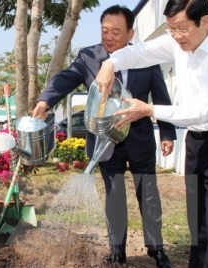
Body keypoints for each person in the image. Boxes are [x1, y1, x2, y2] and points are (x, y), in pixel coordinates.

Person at [95, 0, 208, 267]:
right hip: (196, 140)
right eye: (171, 29)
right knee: (197, 220)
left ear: (204, 21)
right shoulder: (177, 40)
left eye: (181, 29)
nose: (176, 37)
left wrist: (149, 110)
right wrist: (110, 64)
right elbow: (140, 53)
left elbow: (204, 111)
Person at [33, 5, 175, 267]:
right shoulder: (89, 57)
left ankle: (156, 249)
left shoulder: (147, 57)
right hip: (105, 142)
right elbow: (66, 78)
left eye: (116, 32)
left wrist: (167, 133)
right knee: (115, 195)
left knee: (149, 197)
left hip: (140, 139)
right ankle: (117, 249)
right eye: (105, 30)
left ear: (130, 32)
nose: (109, 37)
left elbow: (161, 95)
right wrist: (45, 100)